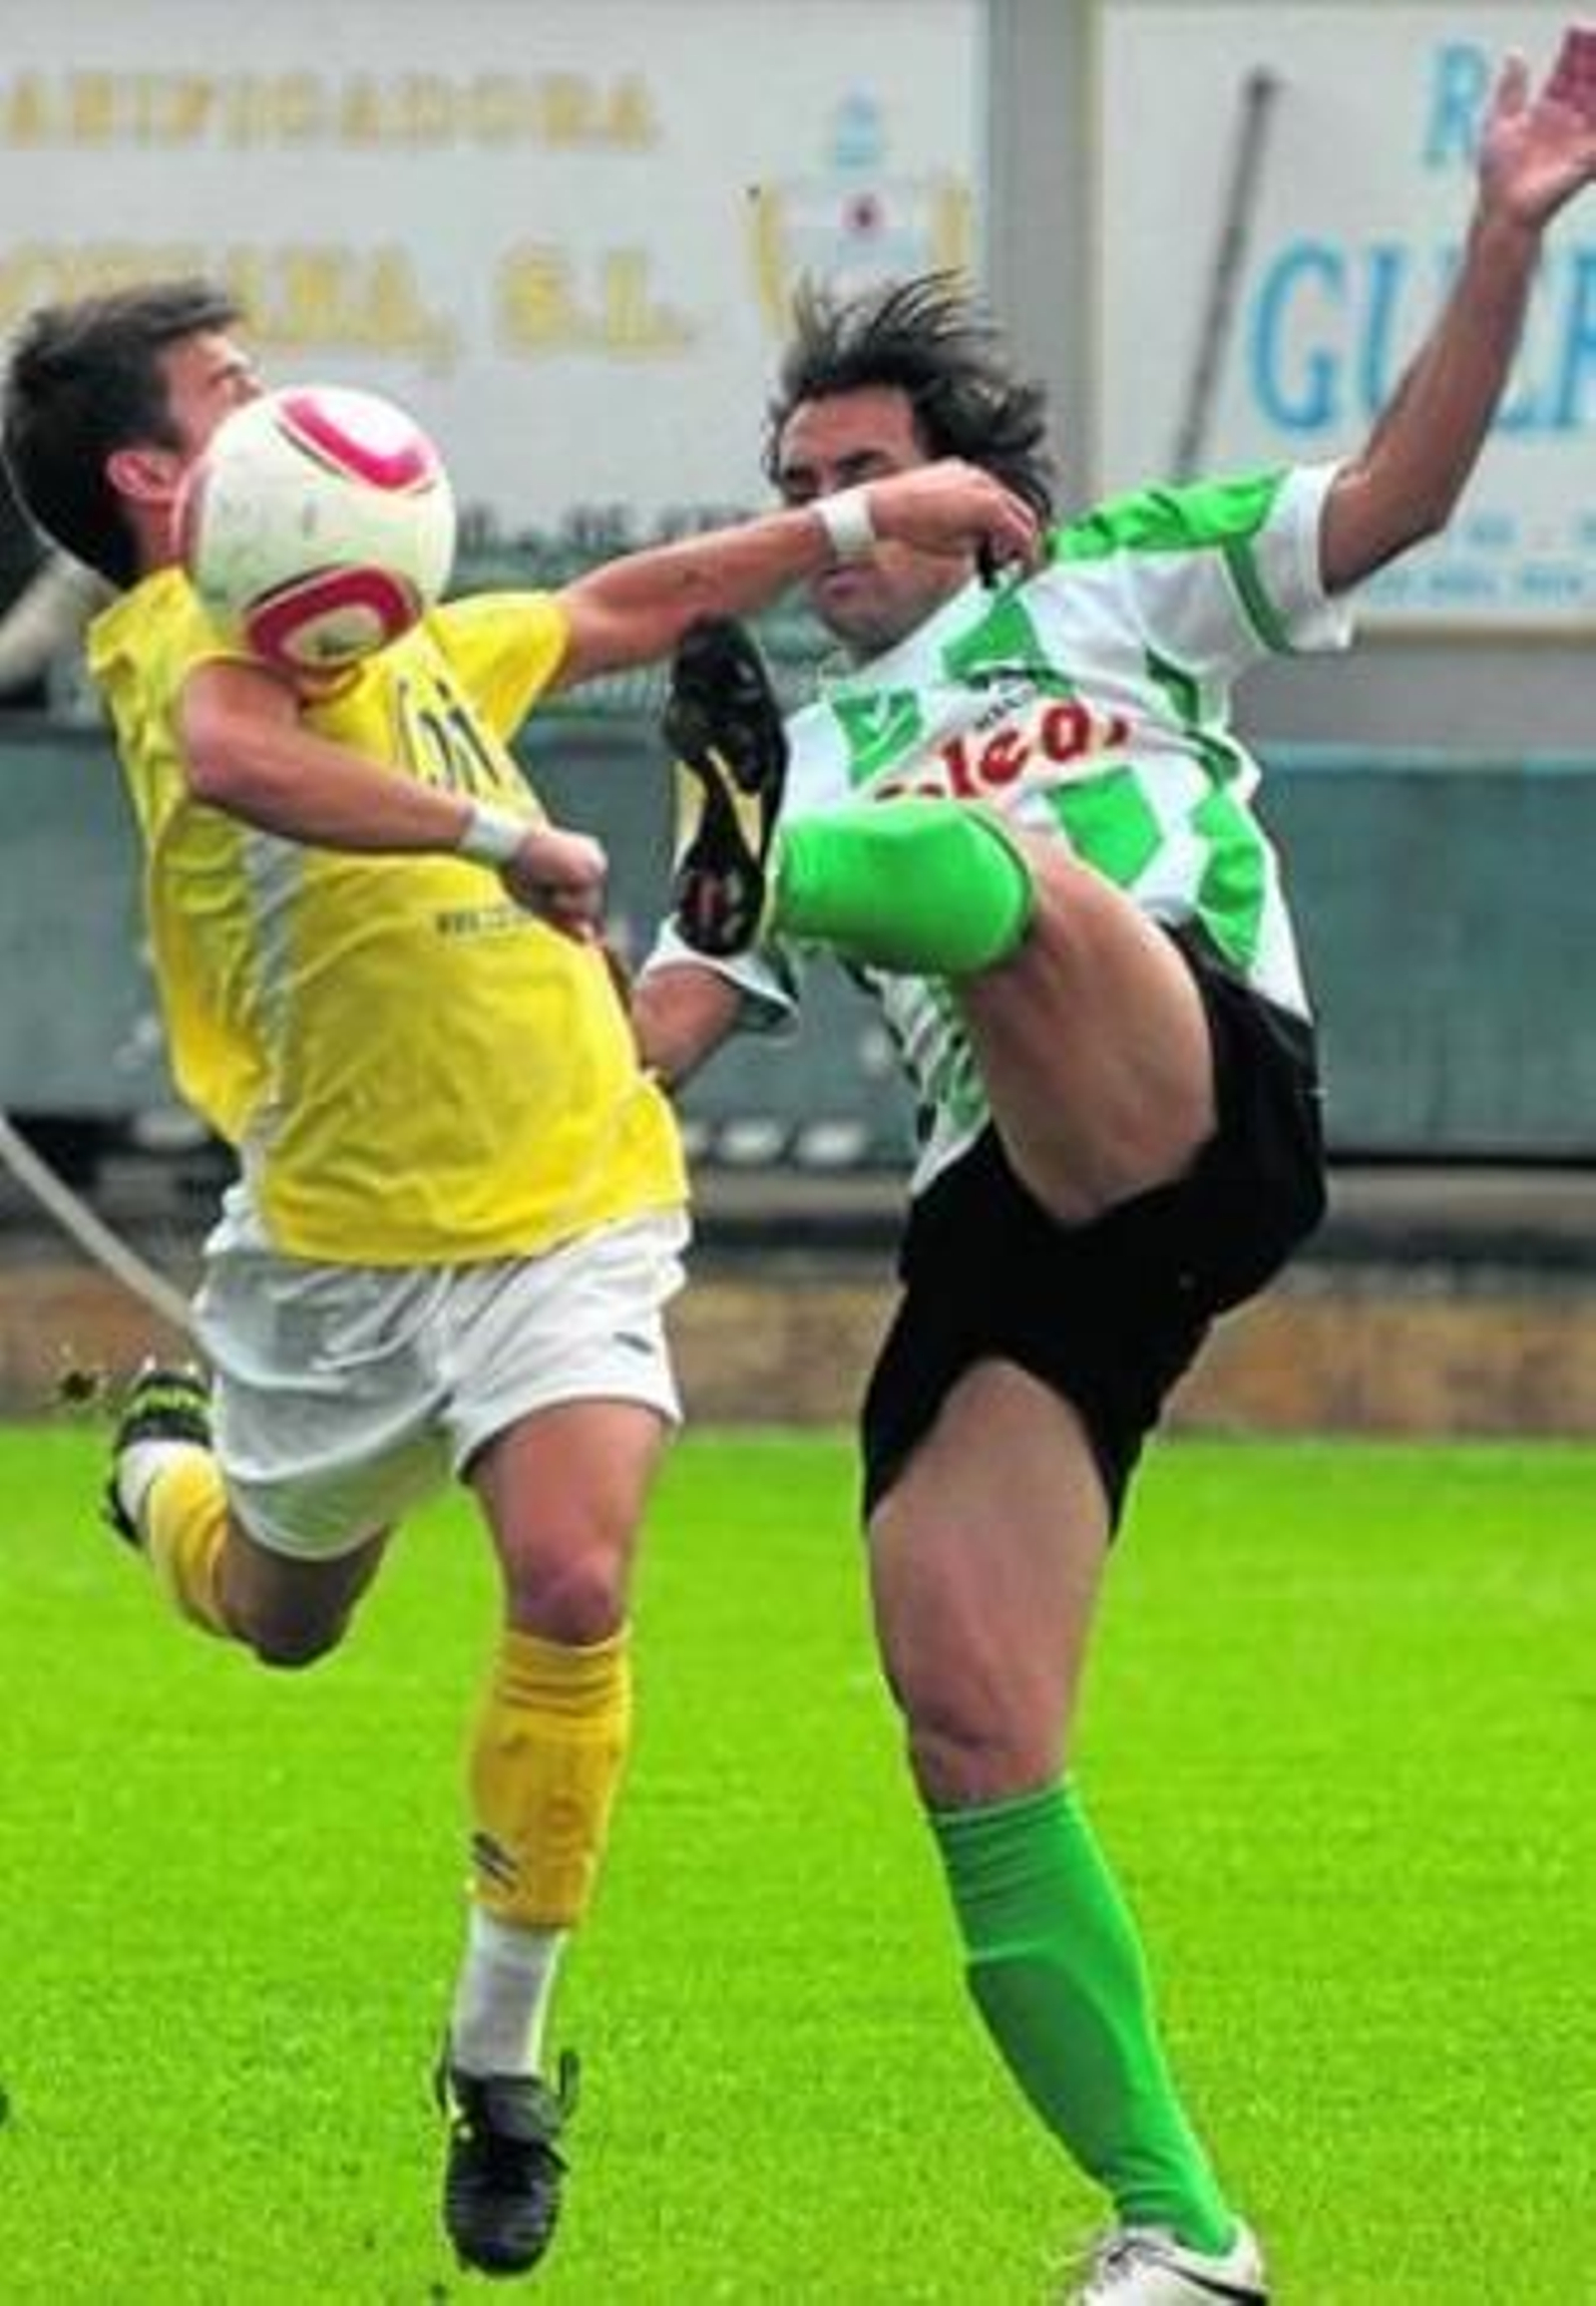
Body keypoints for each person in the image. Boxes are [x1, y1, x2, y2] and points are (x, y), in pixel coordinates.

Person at [632, 34, 1596, 2303]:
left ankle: (820, 876)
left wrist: (1500, 230)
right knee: (964, 1716)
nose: (834, 520)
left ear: (978, 490)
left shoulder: (1116, 584)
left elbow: (1393, 497)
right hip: (1014, 1222)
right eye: (799, 489)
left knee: (1003, 878)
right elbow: (642, 1047)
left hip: (1184, 1071)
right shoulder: (791, 732)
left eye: (865, 474)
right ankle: (1185, 2230)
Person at [0, 278, 1037, 2281]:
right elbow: (236, 760)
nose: (280, 407)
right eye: (229, 396)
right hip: (330, 1257)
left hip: (564, 1203)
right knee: (283, 1612)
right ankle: (162, 1473)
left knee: (573, 1575)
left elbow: (630, 601)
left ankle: (498, 2063)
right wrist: (498, 835)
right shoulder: (174, 648)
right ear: (151, 477)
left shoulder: (401, 635)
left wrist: (849, 529)